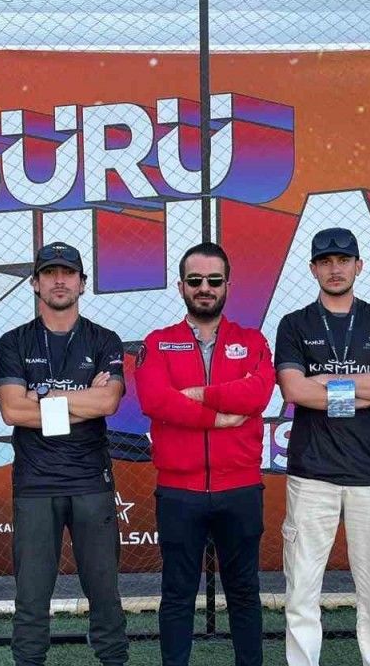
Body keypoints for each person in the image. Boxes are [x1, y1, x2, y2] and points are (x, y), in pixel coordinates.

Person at [135, 242, 275, 666]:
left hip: (240, 488)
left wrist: (200, 394)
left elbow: (258, 393)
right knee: (177, 594)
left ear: (228, 285)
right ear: (181, 286)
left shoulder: (252, 341)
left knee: (244, 593)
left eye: (214, 280)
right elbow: (155, 400)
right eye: (195, 280)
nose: (205, 288)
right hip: (180, 491)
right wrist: (218, 418)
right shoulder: (158, 342)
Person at [274, 227, 370, 666]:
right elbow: (295, 390)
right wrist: (364, 386)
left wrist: (327, 382)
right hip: (311, 474)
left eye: (343, 260)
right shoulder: (294, 324)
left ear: (358, 266)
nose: (335, 269)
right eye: (326, 262)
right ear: (313, 268)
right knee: (301, 593)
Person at [0, 241, 128, 666]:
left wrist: (44, 396)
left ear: (82, 283)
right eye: (49, 273)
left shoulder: (104, 340)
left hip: (91, 482)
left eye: (68, 273)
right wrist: (81, 398)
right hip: (36, 485)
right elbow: (13, 411)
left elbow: (108, 403)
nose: (59, 281)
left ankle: (114, 660)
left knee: (104, 591)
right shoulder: (13, 342)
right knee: (31, 596)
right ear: (35, 283)